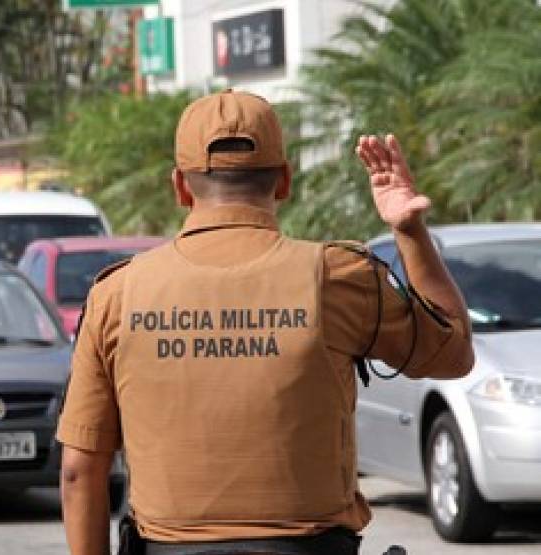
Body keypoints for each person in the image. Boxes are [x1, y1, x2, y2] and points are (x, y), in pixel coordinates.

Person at [57, 90, 474, 555]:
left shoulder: (117, 294)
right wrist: (409, 232)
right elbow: (453, 354)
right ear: (284, 181)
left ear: (180, 186)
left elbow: (79, 470)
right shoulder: (339, 277)